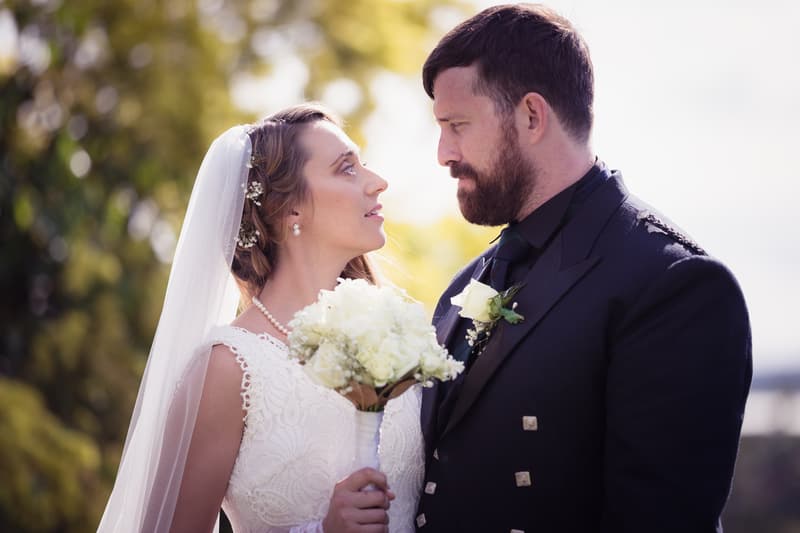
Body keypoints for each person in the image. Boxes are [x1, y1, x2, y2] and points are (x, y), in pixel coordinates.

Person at [416, 4, 752, 532]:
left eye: (456, 125)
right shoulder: (468, 282)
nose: (443, 152)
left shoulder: (673, 286)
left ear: (531, 115)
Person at [98, 103, 425, 533]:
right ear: (290, 211)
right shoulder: (228, 368)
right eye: (347, 169)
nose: (377, 182)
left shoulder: (395, 340)